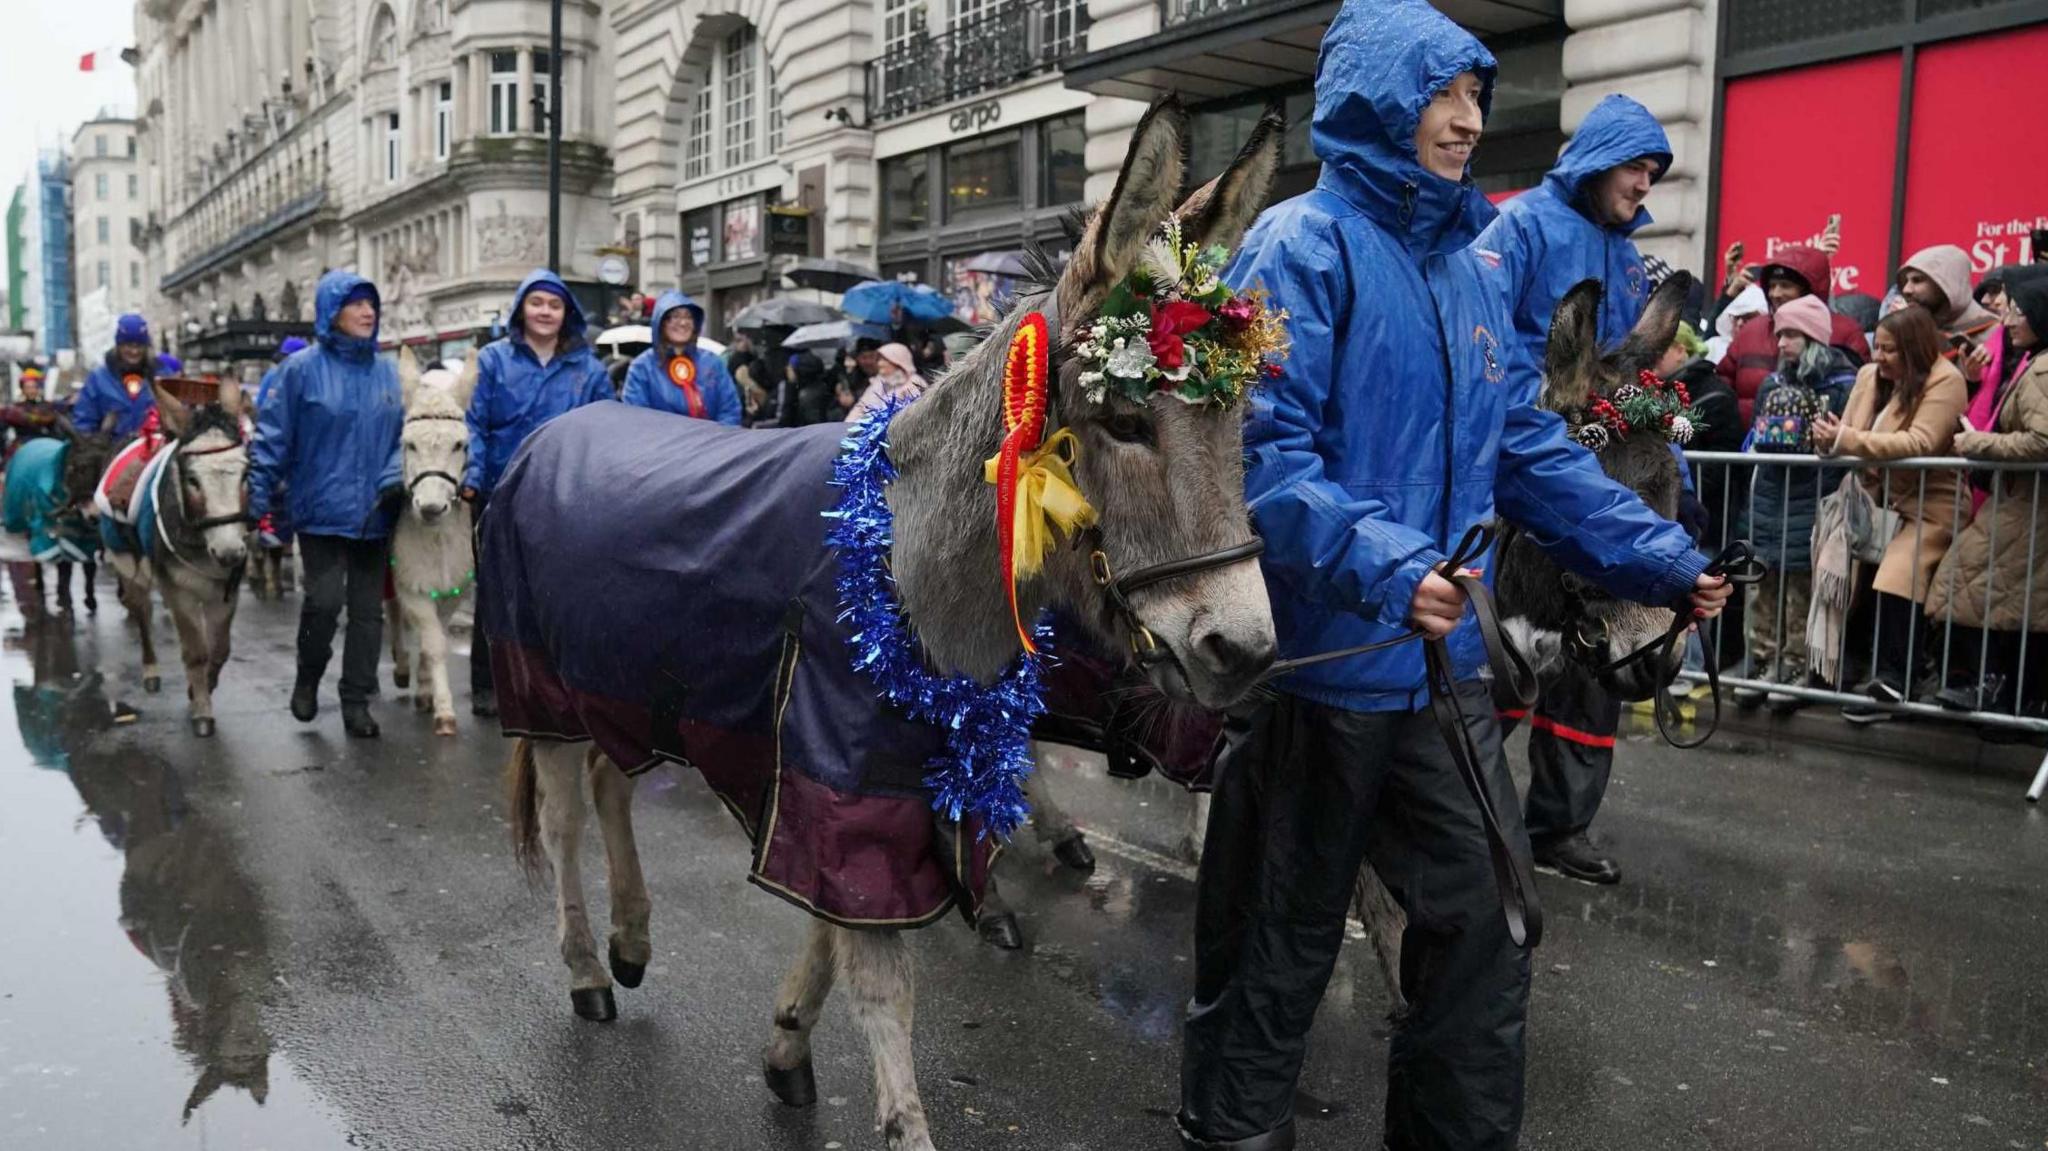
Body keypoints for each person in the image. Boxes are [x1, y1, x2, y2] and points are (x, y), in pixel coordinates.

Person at [1177, 3, 1730, 1147]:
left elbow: (1522, 447)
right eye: (1448, 96)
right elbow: (1262, 461)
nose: (1471, 120)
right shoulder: (1296, 246)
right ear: (1385, 97)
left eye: (1478, 98)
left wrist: (1661, 556)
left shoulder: (1469, 271)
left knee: (1485, 934)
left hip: (1443, 673)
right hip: (1319, 673)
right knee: (1274, 953)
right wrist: (1392, 565)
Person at [1473, 91, 1673, 885]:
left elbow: (1627, 362)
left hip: (1597, 472)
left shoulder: (1628, 257)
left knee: (1594, 660)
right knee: (1508, 649)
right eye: (1637, 166)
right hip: (1521, 460)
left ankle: (1559, 824)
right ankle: (1470, 818)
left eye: (1655, 172)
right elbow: (1480, 330)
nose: (1645, 184)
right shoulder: (1520, 226)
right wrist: (1542, 412)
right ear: (1597, 160)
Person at [250, 270, 404, 739]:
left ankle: (356, 700)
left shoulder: (387, 372)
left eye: (371, 305)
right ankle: (308, 676)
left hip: (376, 511)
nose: (367, 312)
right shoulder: (298, 371)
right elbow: (272, 439)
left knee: (367, 612)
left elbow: (403, 433)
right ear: (331, 312)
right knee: (323, 602)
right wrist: (257, 505)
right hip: (319, 509)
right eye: (356, 304)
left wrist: (395, 474)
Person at [464, 270, 615, 717]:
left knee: (556, 595)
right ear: (521, 309)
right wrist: (473, 474)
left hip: (563, 497)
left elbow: (606, 427)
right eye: (537, 303)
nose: (545, 312)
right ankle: (487, 684)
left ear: (566, 313)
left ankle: (552, 685)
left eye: (554, 304)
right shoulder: (493, 360)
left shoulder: (588, 369)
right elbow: (475, 423)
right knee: (496, 593)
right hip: (500, 491)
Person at [1814, 305, 1968, 722]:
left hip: (1929, 505)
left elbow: (1920, 442)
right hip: (1875, 503)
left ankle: (1893, 682)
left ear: (1914, 349)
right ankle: (1837, 669)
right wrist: (1828, 439)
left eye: (1889, 350)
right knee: (1846, 577)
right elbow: (1848, 431)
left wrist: (1845, 438)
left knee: (1897, 576)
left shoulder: (1946, 380)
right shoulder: (1874, 377)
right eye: (1876, 348)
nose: (1878, 358)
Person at [1926, 274, 2048, 715]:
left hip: (2025, 506)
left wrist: (1979, 443)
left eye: (2019, 310)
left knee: (1970, 585)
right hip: (2020, 505)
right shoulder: (2033, 362)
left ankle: (1990, 690)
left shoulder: (2042, 368)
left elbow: (2042, 440)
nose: (2008, 318)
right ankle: (2010, 698)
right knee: (2002, 599)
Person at [1733, 295, 1858, 710]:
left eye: (1792, 334)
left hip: (1814, 497)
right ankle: (1762, 663)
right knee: (1764, 587)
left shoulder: (1843, 386)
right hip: (1770, 494)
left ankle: (1794, 668)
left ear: (1815, 338)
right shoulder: (1773, 382)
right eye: (1780, 333)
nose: (1782, 343)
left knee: (1800, 591)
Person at [1718, 245, 1869, 427]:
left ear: (1809, 289)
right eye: (1772, 286)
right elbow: (1722, 388)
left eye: (1786, 286)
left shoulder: (1846, 331)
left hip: (1820, 447)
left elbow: (1864, 394)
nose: (1776, 293)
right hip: (1751, 446)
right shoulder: (1750, 331)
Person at [620, 291, 741, 425]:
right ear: (661, 322)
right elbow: (636, 418)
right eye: (675, 317)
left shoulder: (712, 362)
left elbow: (730, 410)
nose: (683, 322)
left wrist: (717, 440)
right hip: (663, 444)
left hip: (711, 443)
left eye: (688, 317)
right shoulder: (642, 367)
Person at [1894, 244, 2000, 383]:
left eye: (1917, 280)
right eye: (1906, 281)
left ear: (1948, 282)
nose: (1906, 289)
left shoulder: (1996, 332)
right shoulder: (1910, 331)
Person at [72, 314, 159, 438]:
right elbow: (83, 424)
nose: (134, 351)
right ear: (119, 345)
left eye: (139, 346)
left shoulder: (158, 378)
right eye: (129, 345)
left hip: (153, 452)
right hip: (110, 453)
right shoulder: (98, 380)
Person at [850, 341, 928, 418]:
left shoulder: (914, 383)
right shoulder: (879, 382)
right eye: (879, 360)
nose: (880, 364)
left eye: (885, 360)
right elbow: (860, 408)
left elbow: (917, 415)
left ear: (897, 362)